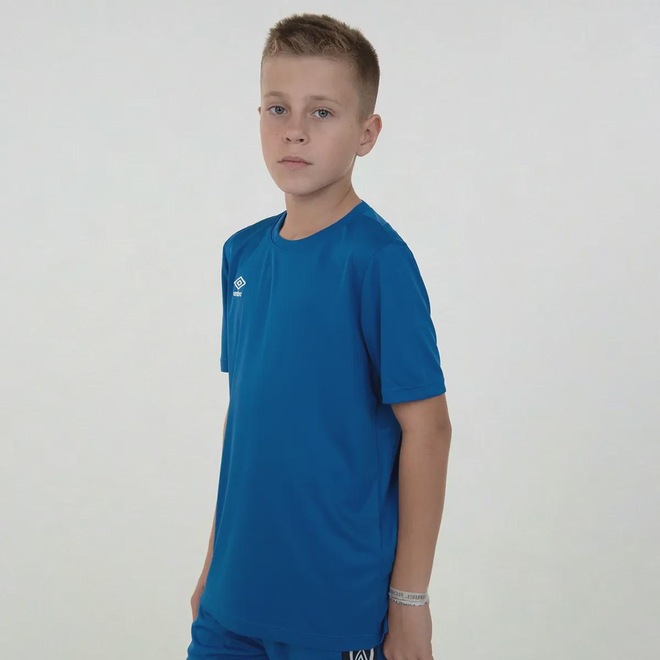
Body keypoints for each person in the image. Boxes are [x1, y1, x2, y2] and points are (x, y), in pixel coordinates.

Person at [186, 12, 453, 660]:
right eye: (277, 108)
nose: (295, 130)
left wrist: (409, 602)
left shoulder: (377, 261)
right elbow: (246, 420)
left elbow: (429, 430)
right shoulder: (242, 255)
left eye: (323, 112)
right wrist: (213, 564)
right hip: (232, 602)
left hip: (335, 610)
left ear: (367, 134)